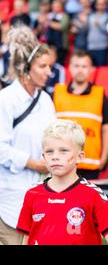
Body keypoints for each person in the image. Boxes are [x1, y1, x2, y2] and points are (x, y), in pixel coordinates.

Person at [16, 119, 108, 245]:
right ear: (44, 157)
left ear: (80, 157)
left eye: (63, 150)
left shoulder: (93, 194)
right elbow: (26, 239)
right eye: (49, 151)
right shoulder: (32, 193)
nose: (55, 156)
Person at [0, 25, 55, 245]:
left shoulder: (46, 100)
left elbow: (54, 139)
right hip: (10, 202)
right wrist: (35, 164)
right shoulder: (6, 99)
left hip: (41, 201)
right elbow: (0, 149)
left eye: (49, 66)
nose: (49, 72)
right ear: (25, 68)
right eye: (42, 66)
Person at [53, 51, 108, 180]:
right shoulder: (57, 92)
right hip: (61, 163)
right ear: (69, 68)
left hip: (90, 165)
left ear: (91, 69)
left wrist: (104, 157)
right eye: (76, 66)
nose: (80, 70)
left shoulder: (99, 94)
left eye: (84, 66)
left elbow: (106, 128)